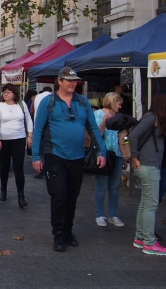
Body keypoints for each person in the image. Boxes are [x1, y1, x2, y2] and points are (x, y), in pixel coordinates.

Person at [32, 67, 106, 252]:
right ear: (59, 81)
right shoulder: (48, 103)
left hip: (77, 156)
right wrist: (36, 156)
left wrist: (101, 151)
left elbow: (93, 128)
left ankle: (68, 231)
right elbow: (38, 130)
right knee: (59, 195)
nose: (73, 83)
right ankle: (58, 233)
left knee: (72, 197)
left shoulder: (82, 102)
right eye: (68, 80)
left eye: (74, 80)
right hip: (54, 155)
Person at [129, 90, 166, 256]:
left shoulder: (154, 118)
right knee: (151, 204)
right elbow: (133, 135)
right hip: (149, 166)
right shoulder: (152, 118)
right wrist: (134, 156)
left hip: (148, 165)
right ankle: (149, 241)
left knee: (146, 202)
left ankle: (141, 237)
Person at [0, 83, 33, 208]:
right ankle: (3, 189)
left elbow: (28, 120)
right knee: (4, 166)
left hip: (19, 139)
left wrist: (30, 136)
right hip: (4, 140)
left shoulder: (21, 105)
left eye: (8, 92)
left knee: (18, 167)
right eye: (4, 92)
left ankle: (21, 195)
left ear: (14, 93)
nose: (6, 94)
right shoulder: (0, 106)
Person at [93, 92, 126, 228]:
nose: (120, 107)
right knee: (101, 185)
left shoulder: (119, 117)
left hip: (117, 153)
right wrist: (104, 122)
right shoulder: (98, 114)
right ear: (113, 102)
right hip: (104, 153)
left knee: (115, 185)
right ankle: (100, 214)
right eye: (119, 104)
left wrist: (125, 154)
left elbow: (123, 137)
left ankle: (113, 214)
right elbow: (96, 134)